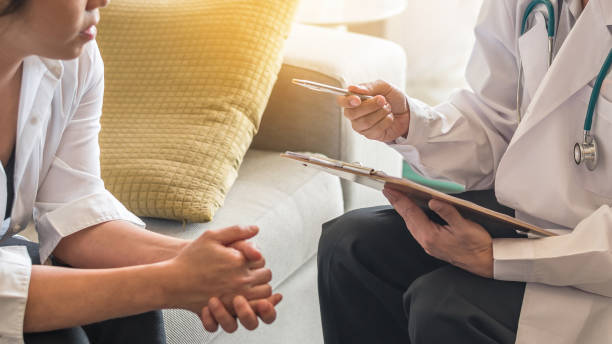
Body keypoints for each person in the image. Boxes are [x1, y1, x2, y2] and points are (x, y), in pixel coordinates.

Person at [318, 0, 612, 343]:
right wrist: (414, 124)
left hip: (598, 266)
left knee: (444, 307)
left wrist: (499, 258)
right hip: (538, 220)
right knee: (350, 245)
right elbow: (497, 119)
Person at [0, 0, 282, 342]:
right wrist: (169, 281)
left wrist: (197, 263)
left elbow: (74, 209)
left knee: (128, 298)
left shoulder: (74, 61)